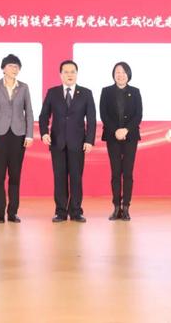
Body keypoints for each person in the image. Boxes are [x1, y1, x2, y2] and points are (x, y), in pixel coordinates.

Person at [39, 60, 96, 223]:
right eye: (66, 72)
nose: (69, 75)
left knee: (76, 178)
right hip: (57, 142)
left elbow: (91, 119)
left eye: (72, 72)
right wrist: (44, 133)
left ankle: (76, 211)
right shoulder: (52, 93)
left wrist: (89, 140)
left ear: (76, 74)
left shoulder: (86, 93)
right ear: (60, 74)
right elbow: (44, 116)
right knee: (59, 178)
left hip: (78, 143)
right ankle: (61, 212)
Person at [0, 54, 34, 224]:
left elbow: (29, 111)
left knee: (15, 175)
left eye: (17, 66)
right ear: (3, 68)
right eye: (11, 66)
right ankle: (0, 212)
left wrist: (29, 134)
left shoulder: (24, 87)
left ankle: (12, 212)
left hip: (18, 135)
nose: (15, 69)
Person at [99, 62, 143, 221]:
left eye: (124, 72)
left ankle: (126, 207)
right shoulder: (106, 91)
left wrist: (126, 130)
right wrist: (115, 130)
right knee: (116, 173)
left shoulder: (135, 92)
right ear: (113, 74)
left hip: (130, 137)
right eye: (118, 72)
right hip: (112, 136)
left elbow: (138, 115)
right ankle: (116, 207)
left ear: (128, 75)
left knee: (128, 173)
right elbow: (103, 114)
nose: (121, 75)